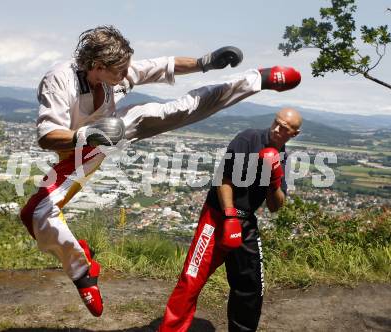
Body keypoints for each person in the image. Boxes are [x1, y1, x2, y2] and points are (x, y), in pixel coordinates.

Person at [19, 25, 301, 318]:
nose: (127, 74)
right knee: (35, 214)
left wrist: (205, 62)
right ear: (99, 67)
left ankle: (258, 78)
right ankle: (83, 271)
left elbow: (163, 66)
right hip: (82, 145)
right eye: (120, 71)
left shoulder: (118, 70)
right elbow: (47, 135)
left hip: (112, 131)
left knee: (184, 107)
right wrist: (90, 134)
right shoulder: (60, 79)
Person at [158, 108, 303, 332]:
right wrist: (229, 215)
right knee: (192, 278)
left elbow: (275, 206)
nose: (276, 129)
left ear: (294, 134)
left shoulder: (284, 159)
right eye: (276, 122)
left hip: (246, 222)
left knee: (251, 286)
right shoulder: (248, 139)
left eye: (284, 128)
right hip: (217, 215)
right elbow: (223, 179)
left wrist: (274, 180)